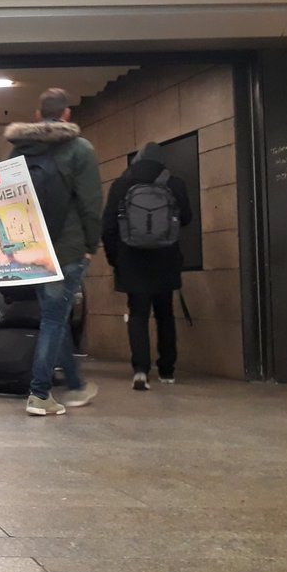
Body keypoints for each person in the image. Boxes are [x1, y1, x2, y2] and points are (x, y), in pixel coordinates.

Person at [4, 88, 103, 416]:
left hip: (31, 249)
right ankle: (39, 393)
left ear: (37, 116)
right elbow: (90, 204)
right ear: (67, 115)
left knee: (53, 316)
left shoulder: (17, 153)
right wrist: (91, 244)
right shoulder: (80, 150)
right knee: (52, 318)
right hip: (67, 249)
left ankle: (75, 384)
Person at [102, 141, 193, 390]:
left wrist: (115, 259)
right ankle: (167, 370)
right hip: (166, 259)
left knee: (138, 314)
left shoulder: (122, 185)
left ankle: (140, 370)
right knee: (165, 314)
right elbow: (186, 218)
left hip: (132, 260)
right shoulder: (175, 183)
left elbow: (108, 227)